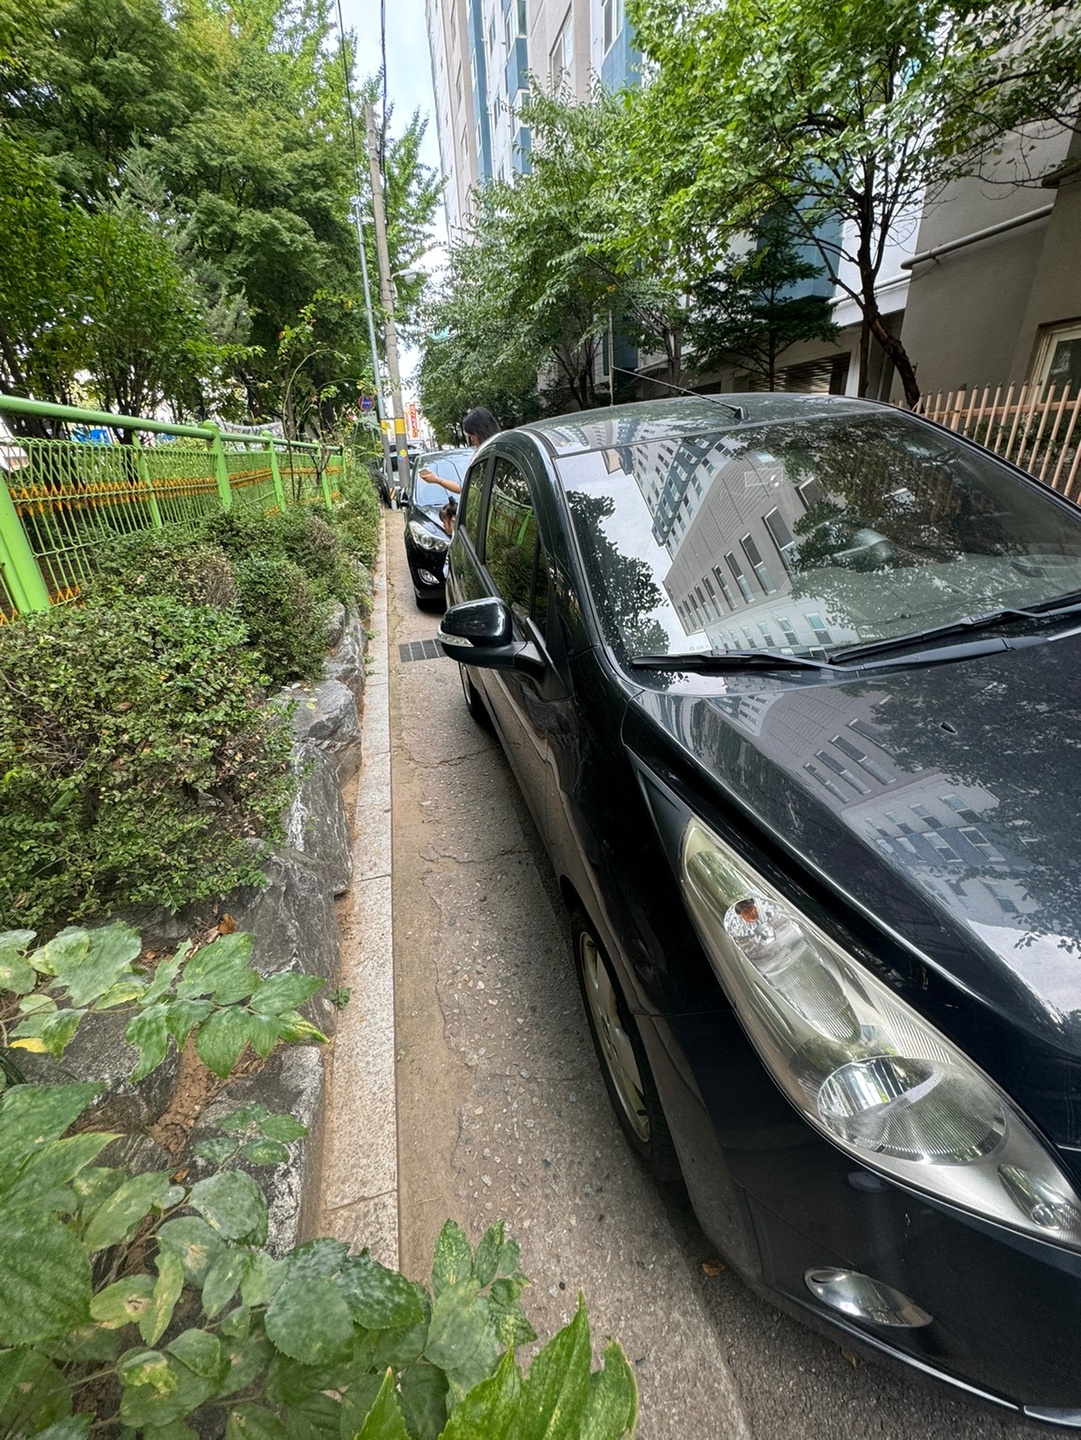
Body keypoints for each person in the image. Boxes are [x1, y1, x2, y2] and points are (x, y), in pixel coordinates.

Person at [418, 407, 501, 496]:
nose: (471, 439)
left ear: (481, 431)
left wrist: (437, 480)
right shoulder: (487, 454)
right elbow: (467, 488)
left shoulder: (495, 456)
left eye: (471, 434)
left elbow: (469, 490)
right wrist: (437, 480)